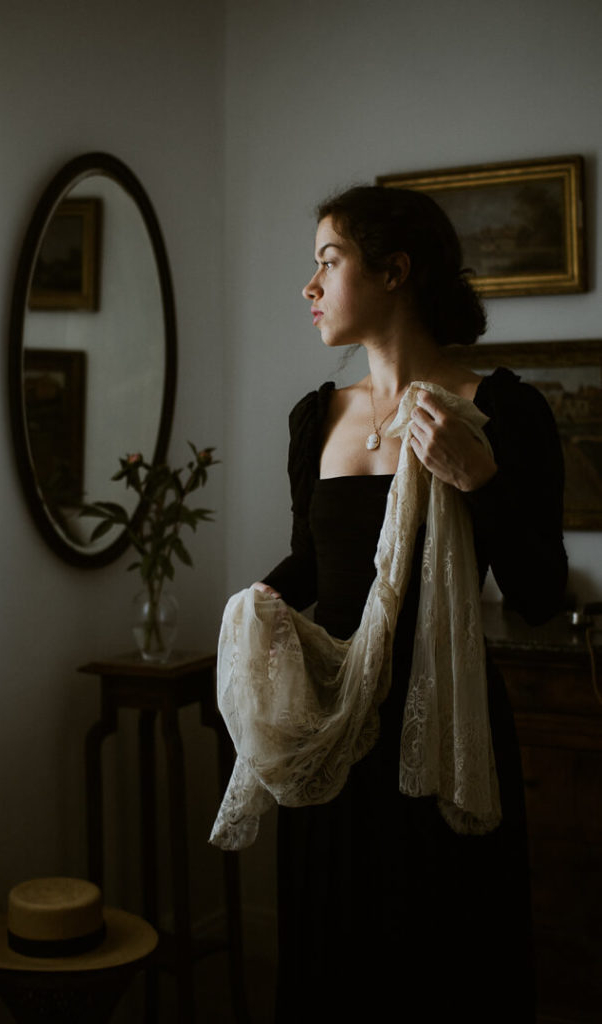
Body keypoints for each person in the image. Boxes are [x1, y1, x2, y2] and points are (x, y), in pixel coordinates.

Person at [251, 186, 567, 1023]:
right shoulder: (314, 417)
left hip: (444, 725)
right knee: (335, 962)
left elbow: (539, 593)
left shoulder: (503, 409)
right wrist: (256, 604)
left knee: (445, 964)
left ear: (394, 271)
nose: (309, 286)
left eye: (327, 261)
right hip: (335, 733)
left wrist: (479, 479)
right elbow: (316, 567)